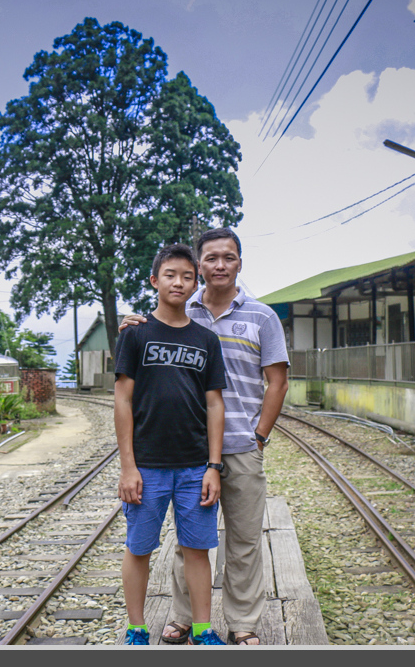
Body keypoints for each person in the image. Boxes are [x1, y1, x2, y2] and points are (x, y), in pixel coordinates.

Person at [120, 227, 289, 646]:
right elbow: (151, 340)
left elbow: (278, 382)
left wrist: (259, 437)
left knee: (244, 539)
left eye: (228, 257)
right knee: (189, 542)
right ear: (200, 266)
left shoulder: (262, 317)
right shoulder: (183, 309)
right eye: (211, 258)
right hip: (189, 450)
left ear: (239, 263)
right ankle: (185, 618)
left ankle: (242, 621)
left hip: (241, 446)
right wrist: (131, 323)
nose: (220, 265)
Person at [115, 243, 228, 646]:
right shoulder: (135, 334)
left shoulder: (206, 340)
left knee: (197, 550)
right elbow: (122, 400)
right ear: (154, 281)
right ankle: (136, 628)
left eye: (187, 276)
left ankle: (202, 629)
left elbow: (215, 404)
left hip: (195, 466)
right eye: (170, 275)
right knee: (139, 548)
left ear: (196, 284)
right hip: (147, 466)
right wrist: (128, 467)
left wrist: (214, 466)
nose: (178, 282)